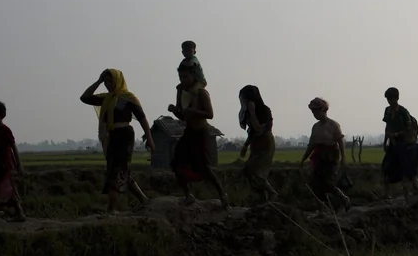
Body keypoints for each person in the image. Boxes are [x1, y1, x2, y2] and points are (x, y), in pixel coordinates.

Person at [80, 70, 154, 213]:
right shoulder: (106, 98)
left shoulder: (129, 98)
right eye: (106, 82)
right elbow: (85, 98)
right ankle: (143, 199)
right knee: (118, 170)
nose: (108, 84)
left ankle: (111, 209)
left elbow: (142, 118)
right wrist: (98, 81)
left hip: (125, 136)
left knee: (117, 171)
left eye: (111, 81)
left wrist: (150, 138)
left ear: (118, 81)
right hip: (112, 137)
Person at [168, 64, 228, 208]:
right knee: (176, 163)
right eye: (180, 77)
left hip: (201, 133)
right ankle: (188, 195)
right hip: (188, 132)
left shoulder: (201, 93)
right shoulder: (183, 93)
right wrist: (174, 111)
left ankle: (222, 195)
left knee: (203, 166)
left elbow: (210, 114)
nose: (182, 80)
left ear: (194, 76)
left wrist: (194, 111)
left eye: (185, 76)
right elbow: (183, 117)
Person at [298, 98, 351, 212]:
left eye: (316, 112)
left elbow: (340, 141)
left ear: (323, 110)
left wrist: (343, 157)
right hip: (319, 156)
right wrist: (303, 160)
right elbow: (311, 145)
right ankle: (322, 210)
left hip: (331, 156)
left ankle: (343, 199)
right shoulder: (315, 127)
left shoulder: (333, 125)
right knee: (316, 184)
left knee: (328, 183)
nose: (315, 114)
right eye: (313, 112)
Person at [382, 87, 418, 202]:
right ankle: (387, 195)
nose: (389, 101)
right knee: (386, 168)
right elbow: (387, 127)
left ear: (396, 98)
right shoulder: (387, 111)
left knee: (407, 171)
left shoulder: (403, 112)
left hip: (404, 146)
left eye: (391, 99)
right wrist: (385, 141)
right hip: (393, 145)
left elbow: (409, 129)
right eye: (388, 99)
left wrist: (397, 134)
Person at [236, 85, 278, 203]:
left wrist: (252, 112)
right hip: (255, 144)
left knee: (257, 173)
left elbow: (258, 129)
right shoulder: (247, 113)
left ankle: (272, 193)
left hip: (265, 144)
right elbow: (251, 132)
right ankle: (263, 199)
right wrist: (245, 146)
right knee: (249, 172)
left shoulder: (265, 110)